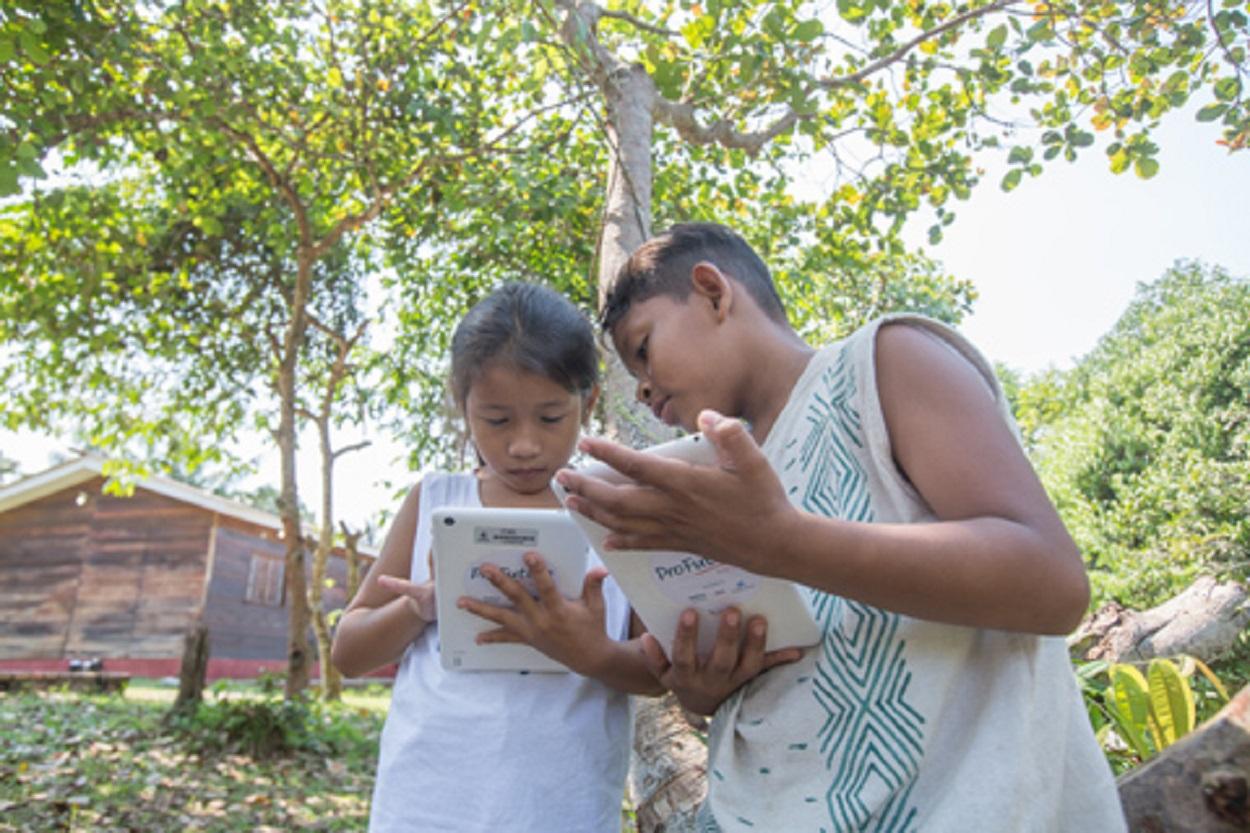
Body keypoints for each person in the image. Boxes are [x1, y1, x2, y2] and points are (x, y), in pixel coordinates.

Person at [555, 223, 1127, 832]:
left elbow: (1051, 584)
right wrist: (703, 689)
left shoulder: (883, 362)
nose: (642, 388)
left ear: (713, 293)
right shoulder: (719, 479)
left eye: (643, 348)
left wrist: (782, 543)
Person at [331, 282, 662, 833]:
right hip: (426, 803)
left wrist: (590, 651)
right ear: (464, 409)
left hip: (561, 806)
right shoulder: (435, 502)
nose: (524, 445)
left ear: (590, 401)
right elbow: (348, 652)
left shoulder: (617, 509)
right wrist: (420, 609)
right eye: (497, 420)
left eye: (551, 418)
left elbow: (655, 673)